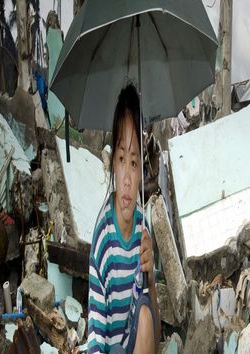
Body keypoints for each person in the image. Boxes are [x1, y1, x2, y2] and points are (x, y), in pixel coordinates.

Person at [88, 84, 160, 353]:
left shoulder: (144, 227)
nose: (128, 180)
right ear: (112, 165)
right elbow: (96, 340)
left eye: (133, 162)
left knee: (143, 314)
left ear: (142, 168)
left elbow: (155, 338)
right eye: (121, 159)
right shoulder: (104, 239)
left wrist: (151, 279)